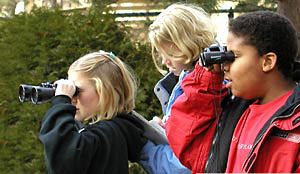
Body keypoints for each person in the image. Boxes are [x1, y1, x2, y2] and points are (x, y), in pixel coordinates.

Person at [166, 11, 300, 173]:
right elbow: (190, 147)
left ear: (268, 61)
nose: (225, 66)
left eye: (234, 56)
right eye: (225, 55)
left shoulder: (295, 124)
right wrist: (208, 80)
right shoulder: (234, 111)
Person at [39, 51, 147, 174]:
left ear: (104, 92)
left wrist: (61, 103)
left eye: (77, 90)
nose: (72, 99)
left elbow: (62, 161)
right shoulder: (118, 130)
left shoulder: (107, 133)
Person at [139, 3, 216, 174]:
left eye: (171, 54)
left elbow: (187, 163)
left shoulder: (204, 88)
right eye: (161, 54)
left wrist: (144, 150)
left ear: (189, 45)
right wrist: (168, 128)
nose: (164, 61)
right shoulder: (187, 78)